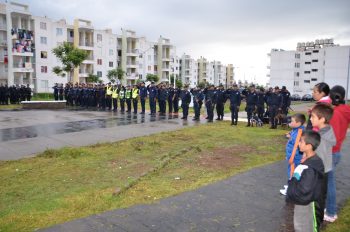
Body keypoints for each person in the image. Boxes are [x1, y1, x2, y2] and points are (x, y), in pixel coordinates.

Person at [286, 130, 325, 232]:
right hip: (302, 202)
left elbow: (304, 189)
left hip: (305, 204)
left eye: (301, 142)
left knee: (303, 226)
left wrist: (291, 191)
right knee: (299, 224)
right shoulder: (309, 161)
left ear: (309, 146)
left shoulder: (310, 168)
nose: (298, 143)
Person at [325, 85, 350, 222]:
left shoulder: (333, 112)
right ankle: (328, 208)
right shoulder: (346, 110)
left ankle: (331, 212)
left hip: (330, 151)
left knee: (329, 183)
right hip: (336, 151)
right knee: (326, 181)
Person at [280, 113, 306, 196]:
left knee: (292, 173)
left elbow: (296, 146)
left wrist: (291, 157)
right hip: (293, 156)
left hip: (294, 157)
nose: (289, 123)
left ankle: (290, 189)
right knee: (292, 172)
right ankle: (293, 186)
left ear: (298, 123)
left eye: (292, 121)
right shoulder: (296, 130)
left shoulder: (299, 132)